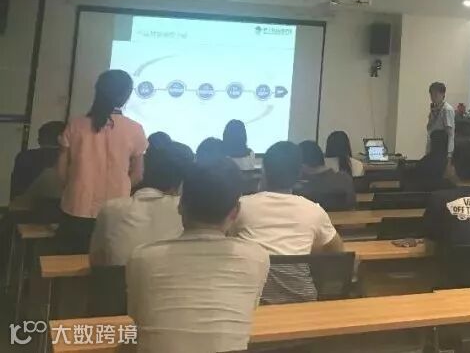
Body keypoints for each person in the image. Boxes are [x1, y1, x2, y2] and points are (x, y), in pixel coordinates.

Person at [126, 162, 269, 353]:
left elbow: (138, 317)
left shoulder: (142, 258)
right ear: (235, 212)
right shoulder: (257, 258)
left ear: (180, 205)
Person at [230, 141, 344, 304]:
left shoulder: (240, 206)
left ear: (264, 171)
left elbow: (229, 242)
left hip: (253, 302)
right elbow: (337, 251)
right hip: (302, 302)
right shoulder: (313, 210)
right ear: (299, 174)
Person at [56, 69, 148, 253]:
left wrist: (75, 187)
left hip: (76, 207)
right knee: (107, 262)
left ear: (98, 91)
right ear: (126, 96)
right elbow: (138, 175)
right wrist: (119, 187)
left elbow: (61, 171)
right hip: (117, 211)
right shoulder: (135, 129)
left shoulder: (76, 125)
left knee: (69, 260)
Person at [89, 141, 192, 266]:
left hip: (118, 278)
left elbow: (96, 261)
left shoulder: (110, 209)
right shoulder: (185, 211)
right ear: (181, 184)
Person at [10, 120, 65, 201]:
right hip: (60, 206)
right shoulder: (69, 160)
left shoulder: (24, 156)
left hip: (24, 204)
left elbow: (15, 189)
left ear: (40, 140)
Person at [296, 140, 354, 211]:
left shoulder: (302, 188)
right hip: (345, 217)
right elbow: (352, 205)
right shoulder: (345, 179)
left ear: (303, 166)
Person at [426, 81, 455, 154]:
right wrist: (432, 116)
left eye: (436, 94)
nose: (433, 97)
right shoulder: (434, 109)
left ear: (443, 95)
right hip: (433, 146)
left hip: (443, 150)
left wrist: (449, 153)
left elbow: (449, 133)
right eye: (431, 94)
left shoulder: (447, 109)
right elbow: (429, 128)